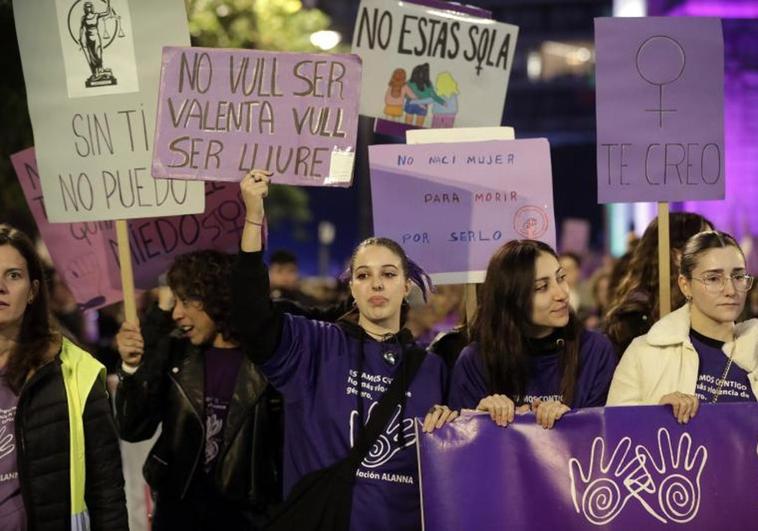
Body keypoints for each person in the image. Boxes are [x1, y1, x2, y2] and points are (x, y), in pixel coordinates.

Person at [232, 170, 455, 531]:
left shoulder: (433, 368)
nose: (376, 283)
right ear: (351, 287)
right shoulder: (314, 345)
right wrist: (253, 218)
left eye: (388, 274)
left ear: (406, 286)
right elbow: (251, 318)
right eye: (363, 275)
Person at [115, 251, 279, 530]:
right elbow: (132, 428)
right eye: (174, 301)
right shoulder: (175, 352)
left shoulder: (269, 360)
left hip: (245, 519)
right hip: (179, 514)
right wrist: (131, 369)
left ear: (217, 297)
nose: (177, 313)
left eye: (187, 300)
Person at [0, 224, 127, 530]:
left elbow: (106, 491)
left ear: (32, 291)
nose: (0, 287)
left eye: (13, 275)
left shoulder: (75, 371)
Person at [449, 240, 617, 429]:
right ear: (511, 297)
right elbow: (460, 445)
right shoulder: (476, 360)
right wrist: (480, 419)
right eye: (541, 287)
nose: (561, 293)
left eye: (561, 278)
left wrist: (569, 422)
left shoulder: (595, 350)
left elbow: (606, 438)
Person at [607, 231, 757, 422]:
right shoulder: (644, 353)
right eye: (713, 278)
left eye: (738, 276)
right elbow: (616, 436)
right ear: (685, 285)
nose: (730, 290)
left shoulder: (754, 348)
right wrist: (656, 415)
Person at [604, 213, 713, 355]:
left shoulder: (714, 306)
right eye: (706, 246)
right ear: (677, 256)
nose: (717, 253)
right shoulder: (634, 318)